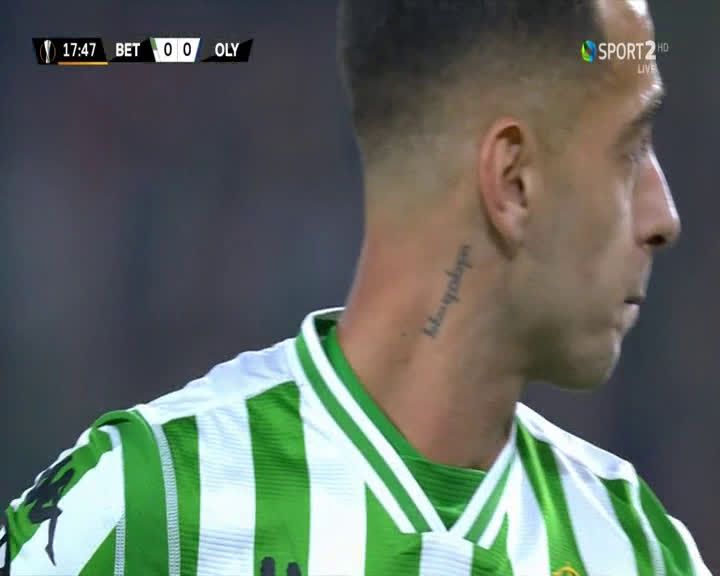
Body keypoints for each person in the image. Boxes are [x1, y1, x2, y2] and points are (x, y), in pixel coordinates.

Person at [2, 1, 711, 574]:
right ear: (514, 181)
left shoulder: (639, 551)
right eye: (630, 150)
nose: (664, 218)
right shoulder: (148, 501)